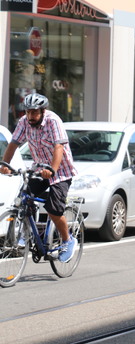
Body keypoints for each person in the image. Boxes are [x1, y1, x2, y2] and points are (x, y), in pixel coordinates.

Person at [0, 93, 78, 262]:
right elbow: (13, 144)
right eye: (28, 112)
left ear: (43, 111)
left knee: (53, 209)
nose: (30, 116)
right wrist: (5, 164)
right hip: (39, 169)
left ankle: (68, 240)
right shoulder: (23, 122)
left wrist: (52, 169)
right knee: (23, 198)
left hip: (61, 171)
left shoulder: (53, 121)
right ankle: (25, 235)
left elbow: (59, 147)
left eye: (34, 112)